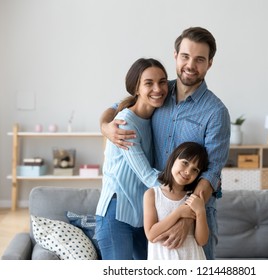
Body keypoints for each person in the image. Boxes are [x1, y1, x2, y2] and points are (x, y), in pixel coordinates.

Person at [100, 27, 231, 259]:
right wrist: (105, 127)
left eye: (200, 59)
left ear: (209, 63)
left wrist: (186, 218)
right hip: (157, 208)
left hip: (196, 212)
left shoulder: (216, 112)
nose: (190, 65)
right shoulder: (159, 90)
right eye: (185, 56)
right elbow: (117, 107)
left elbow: (211, 173)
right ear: (175, 56)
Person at [95, 58, 168, 260]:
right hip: (116, 214)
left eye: (162, 82)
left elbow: (114, 105)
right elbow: (147, 175)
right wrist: (189, 192)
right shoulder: (125, 123)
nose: (158, 88)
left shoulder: (157, 112)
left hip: (143, 216)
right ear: (136, 88)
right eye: (149, 83)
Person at [144, 142, 209, 260]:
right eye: (185, 163)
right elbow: (151, 234)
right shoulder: (152, 194)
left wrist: (201, 212)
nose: (188, 171)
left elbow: (202, 241)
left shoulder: (193, 198)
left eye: (195, 170)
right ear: (173, 159)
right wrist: (178, 213)